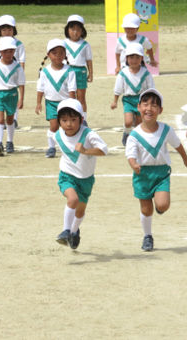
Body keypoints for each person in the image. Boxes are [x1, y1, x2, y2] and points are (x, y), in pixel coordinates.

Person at [126, 88, 187, 251]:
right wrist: (134, 164)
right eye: (145, 104)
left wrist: (185, 158)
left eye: (154, 106)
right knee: (146, 208)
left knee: (163, 205)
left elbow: (177, 144)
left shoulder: (166, 129)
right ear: (139, 107)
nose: (149, 108)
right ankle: (147, 236)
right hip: (142, 175)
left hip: (161, 173)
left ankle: (159, 208)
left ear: (160, 110)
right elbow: (131, 154)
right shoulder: (134, 134)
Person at [54, 98, 108, 249]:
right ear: (59, 121)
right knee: (73, 199)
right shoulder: (57, 135)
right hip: (67, 176)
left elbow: (104, 150)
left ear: (81, 119)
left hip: (86, 179)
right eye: (64, 120)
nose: (68, 124)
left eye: (73, 119)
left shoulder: (89, 134)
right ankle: (65, 231)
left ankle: (74, 231)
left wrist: (86, 151)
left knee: (80, 210)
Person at [36, 39, 77, 158]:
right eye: (54, 53)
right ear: (48, 55)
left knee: (68, 127)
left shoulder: (69, 71)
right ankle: (51, 147)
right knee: (54, 126)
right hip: (51, 103)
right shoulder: (45, 72)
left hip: (65, 103)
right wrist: (39, 103)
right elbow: (40, 88)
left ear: (65, 54)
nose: (58, 56)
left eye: (61, 53)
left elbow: (72, 89)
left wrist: (72, 104)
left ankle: (69, 147)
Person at [111, 43, 154, 146]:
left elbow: (151, 88)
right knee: (128, 122)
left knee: (139, 123)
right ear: (126, 58)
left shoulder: (146, 73)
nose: (134, 60)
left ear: (141, 58)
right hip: (128, 100)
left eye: (137, 57)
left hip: (141, 101)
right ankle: (126, 132)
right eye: (131, 57)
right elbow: (118, 88)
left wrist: (151, 102)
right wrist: (115, 101)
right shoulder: (123, 73)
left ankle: (137, 139)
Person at [0, 15, 26, 128]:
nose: (7, 32)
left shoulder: (19, 44)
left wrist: (20, 74)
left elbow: (21, 60)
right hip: (2, 73)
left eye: (10, 29)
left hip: (14, 72)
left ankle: (14, 119)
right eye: (3, 29)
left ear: (14, 30)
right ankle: (4, 119)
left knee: (13, 96)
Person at [64, 14, 93, 122]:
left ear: (82, 31)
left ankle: (83, 120)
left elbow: (89, 60)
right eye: (72, 29)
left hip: (80, 71)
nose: (75, 32)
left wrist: (91, 74)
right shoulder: (64, 43)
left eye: (78, 29)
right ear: (67, 30)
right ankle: (70, 119)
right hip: (67, 71)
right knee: (69, 97)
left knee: (81, 98)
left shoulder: (85, 44)